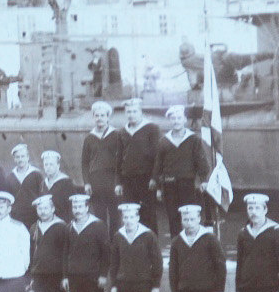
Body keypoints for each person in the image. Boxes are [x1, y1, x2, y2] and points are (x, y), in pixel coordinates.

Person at [156, 104, 211, 236]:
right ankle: (176, 244)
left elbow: (201, 161)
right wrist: (158, 187)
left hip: (187, 184)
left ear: (185, 119)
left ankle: (191, 243)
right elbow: (158, 165)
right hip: (169, 185)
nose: (176, 121)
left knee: (189, 216)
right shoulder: (164, 141)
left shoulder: (193, 139)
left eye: (179, 118)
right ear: (170, 120)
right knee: (173, 218)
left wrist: (204, 180)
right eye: (173, 118)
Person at [29, 194, 70, 292]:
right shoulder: (34, 227)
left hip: (56, 275)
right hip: (39, 275)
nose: (43, 211)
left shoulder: (61, 227)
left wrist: (65, 276)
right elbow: (31, 252)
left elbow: (66, 253)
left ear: (53, 209)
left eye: (46, 208)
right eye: (40, 209)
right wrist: (32, 275)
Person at [116, 98, 162, 236]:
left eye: (134, 111)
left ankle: (151, 244)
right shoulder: (122, 132)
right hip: (128, 180)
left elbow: (158, 156)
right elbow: (119, 158)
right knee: (130, 214)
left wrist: (155, 179)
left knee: (148, 215)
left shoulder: (152, 129)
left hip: (146, 180)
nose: (131, 114)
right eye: (128, 112)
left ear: (140, 112)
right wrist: (118, 182)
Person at [81, 101, 123, 228]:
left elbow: (121, 160)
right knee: (99, 216)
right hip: (96, 181)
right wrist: (87, 183)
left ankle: (114, 240)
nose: (99, 118)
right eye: (97, 115)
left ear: (108, 117)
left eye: (102, 115)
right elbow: (84, 162)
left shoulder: (116, 135)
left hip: (112, 180)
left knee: (115, 215)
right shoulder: (89, 138)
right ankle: (102, 239)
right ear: (93, 117)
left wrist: (119, 183)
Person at [7, 143, 42, 228]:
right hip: (16, 217)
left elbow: (41, 195)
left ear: (28, 157)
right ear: (14, 159)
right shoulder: (10, 177)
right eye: (17, 157)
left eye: (23, 156)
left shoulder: (36, 174)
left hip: (34, 217)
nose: (20, 159)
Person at [39, 150, 77, 221]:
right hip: (47, 221)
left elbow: (72, 207)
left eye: (51, 164)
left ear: (58, 165)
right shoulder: (43, 184)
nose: (48, 167)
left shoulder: (66, 182)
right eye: (46, 164)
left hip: (63, 221)